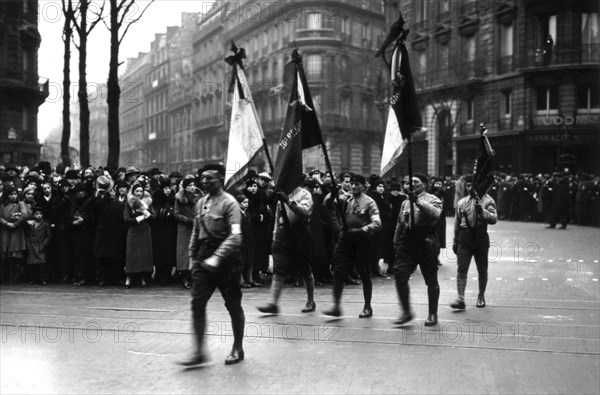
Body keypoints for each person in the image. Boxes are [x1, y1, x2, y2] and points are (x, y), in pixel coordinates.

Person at [177, 163, 245, 367]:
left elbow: (235, 237)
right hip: (204, 257)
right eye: (203, 178)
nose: (205, 181)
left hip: (227, 260)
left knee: (233, 305)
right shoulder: (201, 203)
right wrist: (192, 258)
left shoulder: (230, 203)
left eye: (210, 178)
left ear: (221, 179)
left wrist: (217, 257)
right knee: (197, 303)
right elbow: (196, 232)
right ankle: (199, 351)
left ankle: (238, 348)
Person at [323, 174, 381, 318]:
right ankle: (336, 306)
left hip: (362, 240)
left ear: (364, 186)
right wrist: (332, 193)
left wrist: (362, 230)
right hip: (346, 239)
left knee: (365, 273)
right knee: (338, 271)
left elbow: (377, 223)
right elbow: (327, 205)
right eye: (352, 184)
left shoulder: (369, 202)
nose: (353, 186)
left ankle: (367, 306)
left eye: (357, 184)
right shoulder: (344, 199)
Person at [257, 177, 316, 314]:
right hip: (282, 234)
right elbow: (278, 218)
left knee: (304, 267)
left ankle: (310, 300)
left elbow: (304, 211)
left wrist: (288, 201)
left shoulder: (304, 194)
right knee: (279, 267)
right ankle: (273, 303)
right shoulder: (280, 194)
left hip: (299, 232)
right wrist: (275, 235)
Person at [393, 173, 442, 326]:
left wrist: (418, 201)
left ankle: (432, 313)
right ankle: (406, 311)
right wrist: (396, 242)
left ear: (425, 184)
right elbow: (400, 223)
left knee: (431, 280)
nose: (410, 185)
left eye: (415, 182)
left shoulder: (433, 199)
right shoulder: (405, 202)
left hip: (426, 242)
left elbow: (436, 214)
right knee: (400, 276)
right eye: (408, 182)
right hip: (407, 243)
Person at [450, 175, 497, 309]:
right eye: (468, 185)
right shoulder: (462, 202)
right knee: (462, 268)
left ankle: (481, 295)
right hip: (464, 238)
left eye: (473, 185)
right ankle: (460, 298)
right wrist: (455, 241)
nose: (470, 188)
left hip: (480, 237)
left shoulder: (488, 201)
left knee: (482, 269)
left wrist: (482, 212)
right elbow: (457, 223)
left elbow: (494, 219)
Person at [124, 182, 155, 288]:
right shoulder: (129, 203)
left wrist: (147, 213)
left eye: (141, 191)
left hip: (145, 231)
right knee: (132, 255)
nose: (139, 193)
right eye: (136, 191)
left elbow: (154, 217)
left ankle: (143, 277)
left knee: (143, 255)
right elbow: (126, 219)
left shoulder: (148, 203)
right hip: (133, 231)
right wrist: (140, 218)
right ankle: (129, 277)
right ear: (133, 192)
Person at [25, 206, 52, 285]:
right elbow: (27, 234)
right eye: (36, 214)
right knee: (32, 265)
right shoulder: (30, 224)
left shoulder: (46, 224)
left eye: (40, 214)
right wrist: (28, 244)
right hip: (32, 245)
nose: (39, 215)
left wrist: (44, 244)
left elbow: (49, 236)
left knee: (42, 264)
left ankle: (43, 279)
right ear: (33, 215)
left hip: (41, 245)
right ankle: (34, 278)